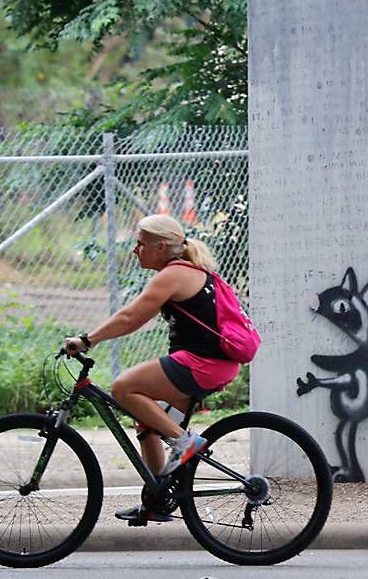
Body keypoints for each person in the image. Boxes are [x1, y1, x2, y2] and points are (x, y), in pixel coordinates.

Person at [63, 214, 241, 520]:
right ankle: (158, 500)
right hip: (211, 364)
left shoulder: (175, 274)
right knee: (146, 420)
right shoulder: (185, 271)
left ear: (160, 247)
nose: (135, 250)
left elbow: (130, 318)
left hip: (204, 364)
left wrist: (86, 340)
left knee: (123, 387)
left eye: (140, 244)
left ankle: (186, 443)